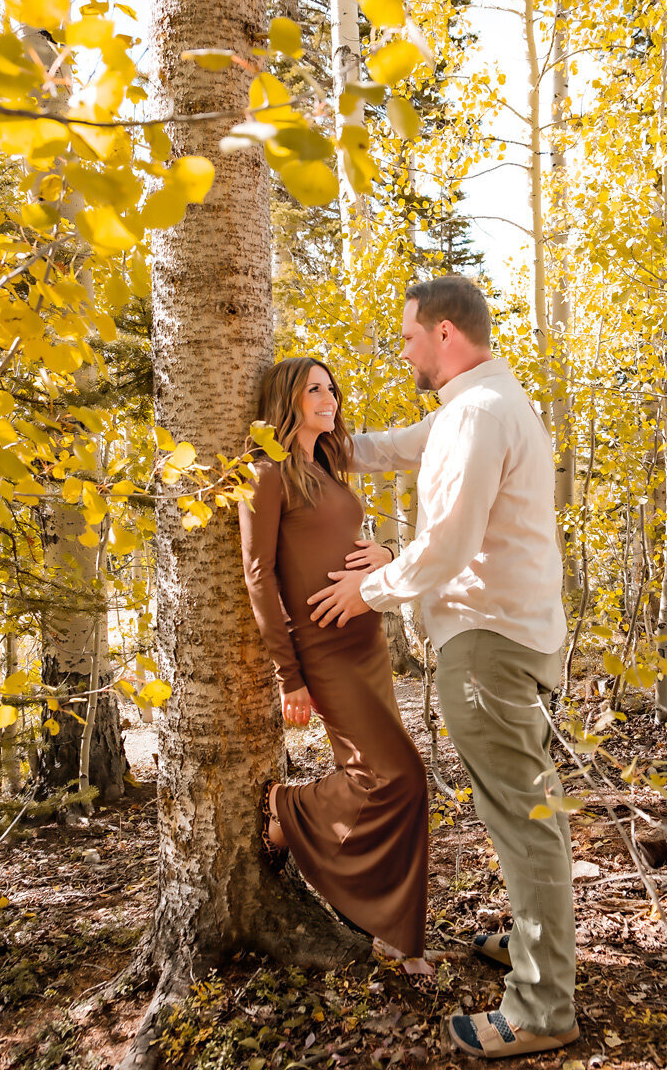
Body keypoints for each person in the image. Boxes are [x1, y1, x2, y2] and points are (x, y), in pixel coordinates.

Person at [307, 276, 579, 1059]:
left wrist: (371, 590)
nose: (403, 349)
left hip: (488, 646)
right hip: (506, 635)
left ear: (445, 336)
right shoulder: (477, 405)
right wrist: (330, 444)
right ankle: (537, 950)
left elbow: (450, 546)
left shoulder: (481, 414)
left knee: (526, 822)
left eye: (408, 336)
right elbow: (401, 446)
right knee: (522, 813)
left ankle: (541, 1007)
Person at [238, 356, 430, 973]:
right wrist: (287, 674)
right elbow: (257, 575)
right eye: (314, 389)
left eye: (331, 388)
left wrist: (387, 552)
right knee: (395, 777)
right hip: (322, 648)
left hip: (367, 640)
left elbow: (356, 544)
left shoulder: (327, 465)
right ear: (287, 401)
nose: (329, 397)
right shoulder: (265, 474)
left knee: (395, 781)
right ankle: (287, 813)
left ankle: (393, 935)